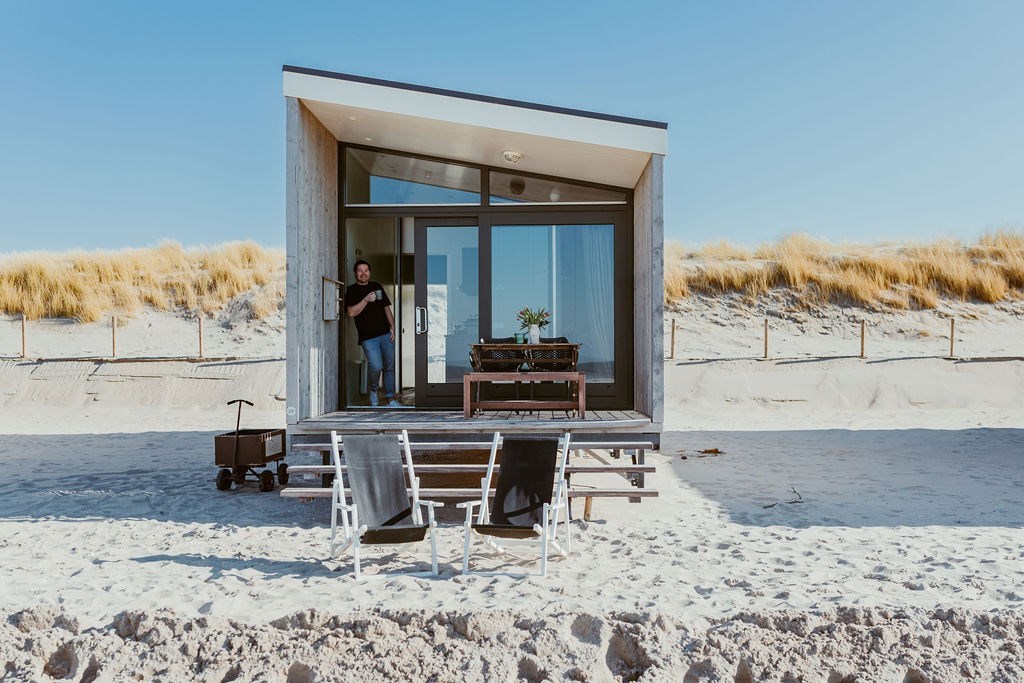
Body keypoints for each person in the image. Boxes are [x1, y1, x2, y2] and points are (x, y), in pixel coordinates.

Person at [344, 260, 400, 408]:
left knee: (389, 367)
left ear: (370, 272)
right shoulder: (351, 290)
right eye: (360, 270)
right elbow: (351, 312)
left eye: (366, 270)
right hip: (368, 337)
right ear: (355, 273)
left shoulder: (376, 286)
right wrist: (366, 300)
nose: (363, 273)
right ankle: (374, 389)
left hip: (385, 333)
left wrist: (393, 327)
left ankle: (390, 399)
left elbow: (386, 308)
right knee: (376, 366)